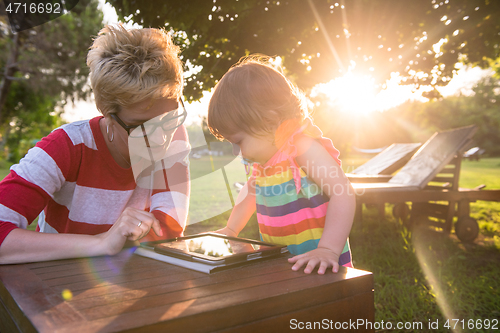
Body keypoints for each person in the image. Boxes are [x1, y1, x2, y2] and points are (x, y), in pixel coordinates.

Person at [0, 24, 190, 264]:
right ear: (109, 116)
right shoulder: (66, 146)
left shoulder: (176, 137)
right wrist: (102, 243)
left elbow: (168, 231)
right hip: (53, 285)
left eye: (170, 118)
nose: (161, 139)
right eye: (141, 127)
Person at [207, 55, 355, 274]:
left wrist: (328, 249)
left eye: (238, 141)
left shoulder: (302, 148)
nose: (236, 152)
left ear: (270, 121)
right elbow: (250, 192)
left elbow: (343, 193)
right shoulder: (263, 163)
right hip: (283, 262)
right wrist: (231, 228)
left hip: (321, 263)